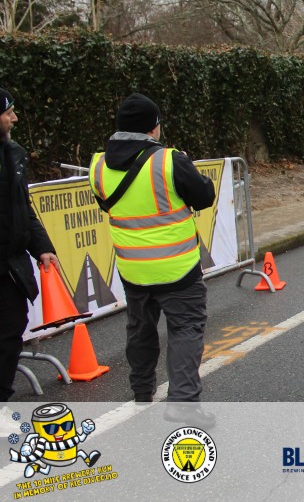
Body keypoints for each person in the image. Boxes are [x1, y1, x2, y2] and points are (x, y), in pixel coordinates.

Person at [88, 93, 216, 426]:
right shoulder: (169, 161)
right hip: (177, 268)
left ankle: (142, 392)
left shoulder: (98, 165)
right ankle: (183, 403)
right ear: (153, 128)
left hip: (132, 268)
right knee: (186, 329)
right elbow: (204, 196)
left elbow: (107, 204)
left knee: (140, 330)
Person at [0, 88, 58, 403]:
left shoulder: (14, 154)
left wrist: (42, 246)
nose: (15, 118)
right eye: (8, 112)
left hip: (10, 265)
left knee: (12, 330)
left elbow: (24, 209)